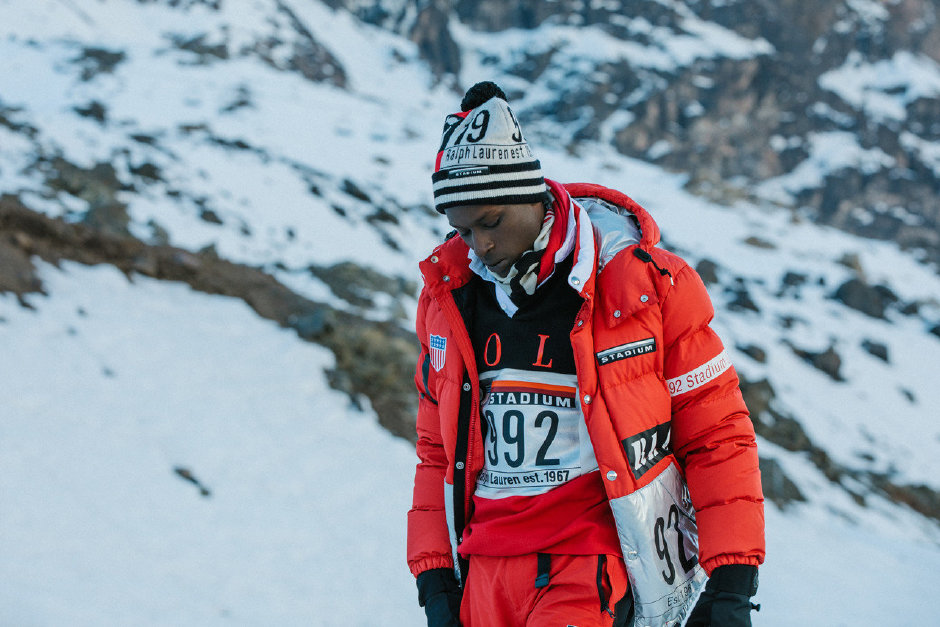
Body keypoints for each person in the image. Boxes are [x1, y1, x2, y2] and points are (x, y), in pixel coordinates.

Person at [407, 81, 764, 627]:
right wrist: (434, 582)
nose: (480, 245)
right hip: (483, 569)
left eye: (492, 222)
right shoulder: (447, 299)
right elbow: (436, 450)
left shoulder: (646, 286)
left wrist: (733, 580)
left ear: (532, 194)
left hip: (590, 564)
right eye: (463, 228)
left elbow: (717, 433)